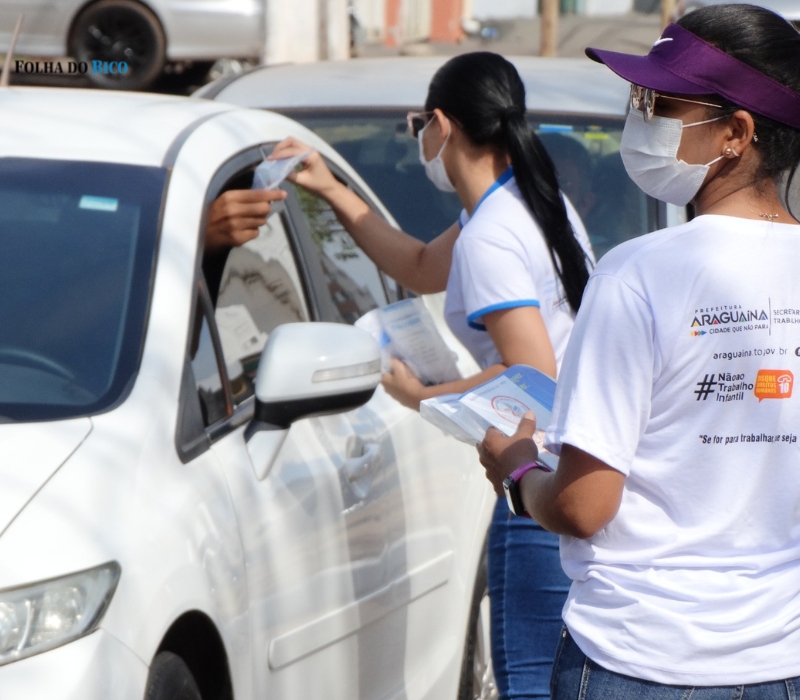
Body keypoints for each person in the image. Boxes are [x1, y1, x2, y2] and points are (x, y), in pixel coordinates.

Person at [479, 4, 800, 696]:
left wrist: (516, 470)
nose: (639, 115)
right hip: (782, 662)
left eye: (660, 101)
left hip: (637, 661)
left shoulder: (638, 274)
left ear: (737, 133)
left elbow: (584, 506)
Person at [270, 52, 593, 700]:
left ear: (441, 126)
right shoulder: (519, 203)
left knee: (530, 682)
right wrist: (331, 188)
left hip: (537, 469)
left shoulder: (493, 234)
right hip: (568, 460)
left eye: (419, 123)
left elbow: (530, 370)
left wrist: (421, 396)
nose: (420, 137)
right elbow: (418, 265)